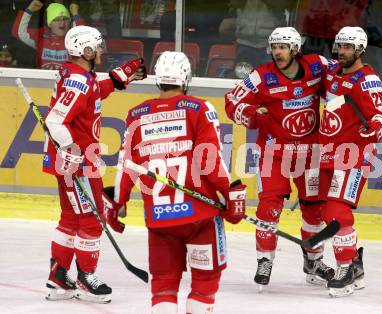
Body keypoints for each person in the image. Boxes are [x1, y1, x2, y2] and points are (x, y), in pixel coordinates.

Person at [109, 51, 247, 313]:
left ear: (158, 80)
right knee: (205, 280)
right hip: (200, 217)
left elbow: (126, 166)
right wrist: (230, 193)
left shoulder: (136, 115)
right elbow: (210, 160)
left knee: (163, 284)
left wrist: (118, 202)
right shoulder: (199, 108)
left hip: (160, 219)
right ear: (186, 79)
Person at [42, 25, 146, 303]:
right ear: (85, 50)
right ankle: (85, 277)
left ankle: (59, 276)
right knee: (91, 217)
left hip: (72, 159)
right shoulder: (77, 81)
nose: (101, 51)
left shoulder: (79, 76)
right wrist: (70, 151)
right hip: (78, 161)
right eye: (97, 47)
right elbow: (54, 120)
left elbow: (92, 93)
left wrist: (119, 78)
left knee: (71, 217)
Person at [224, 27, 334, 288]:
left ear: (295, 49)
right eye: (274, 47)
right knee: (269, 207)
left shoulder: (317, 66)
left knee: (314, 210)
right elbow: (231, 103)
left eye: (283, 47)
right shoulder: (260, 77)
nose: (277, 52)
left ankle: (314, 262)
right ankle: (265, 259)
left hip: (310, 153)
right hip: (274, 154)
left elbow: (342, 76)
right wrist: (251, 112)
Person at [319, 26, 382, 297]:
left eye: (348, 47)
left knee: (337, 212)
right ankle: (355, 264)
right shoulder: (332, 73)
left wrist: (374, 127)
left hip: (354, 155)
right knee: (326, 212)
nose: (341, 51)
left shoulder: (368, 80)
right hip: (328, 152)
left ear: (361, 50)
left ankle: (345, 268)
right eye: (339, 46)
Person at [11, 0, 85, 69]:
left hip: (66, 82)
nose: (62, 23)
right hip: (44, 80)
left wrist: (75, 15)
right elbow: (18, 32)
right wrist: (29, 10)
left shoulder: (72, 38)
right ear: (50, 24)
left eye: (65, 19)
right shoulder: (41, 36)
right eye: (57, 20)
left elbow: (83, 37)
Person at [219, 0, 291, 69]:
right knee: (243, 78)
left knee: (272, 79)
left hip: (272, 44)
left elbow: (282, 4)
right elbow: (235, 3)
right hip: (245, 43)